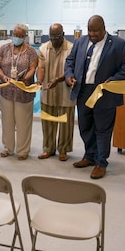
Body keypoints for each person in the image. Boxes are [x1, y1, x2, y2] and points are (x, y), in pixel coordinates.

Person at [64, 15, 125, 179]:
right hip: (83, 91)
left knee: (103, 129)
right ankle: (89, 156)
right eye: (90, 30)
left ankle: (101, 163)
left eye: (96, 31)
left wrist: (114, 80)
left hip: (105, 93)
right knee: (85, 126)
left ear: (104, 28)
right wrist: (69, 75)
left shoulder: (119, 45)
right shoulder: (81, 41)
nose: (92, 34)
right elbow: (70, 61)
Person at [0, 23, 38, 160]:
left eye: (20, 36)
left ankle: (23, 150)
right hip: (6, 91)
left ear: (25, 36)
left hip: (23, 92)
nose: (17, 38)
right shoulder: (4, 49)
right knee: (7, 121)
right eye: (15, 35)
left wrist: (26, 78)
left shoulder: (31, 51)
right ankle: (8, 148)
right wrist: (3, 76)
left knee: (23, 122)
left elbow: (33, 68)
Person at [36, 23, 75, 161]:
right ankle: (48, 149)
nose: (54, 40)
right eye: (51, 37)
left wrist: (58, 80)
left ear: (63, 35)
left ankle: (63, 150)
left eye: (57, 37)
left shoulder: (71, 48)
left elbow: (72, 69)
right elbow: (41, 68)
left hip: (66, 92)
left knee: (65, 123)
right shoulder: (43, 48)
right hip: (48, 92)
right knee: (48, 122)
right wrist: (40, 81)